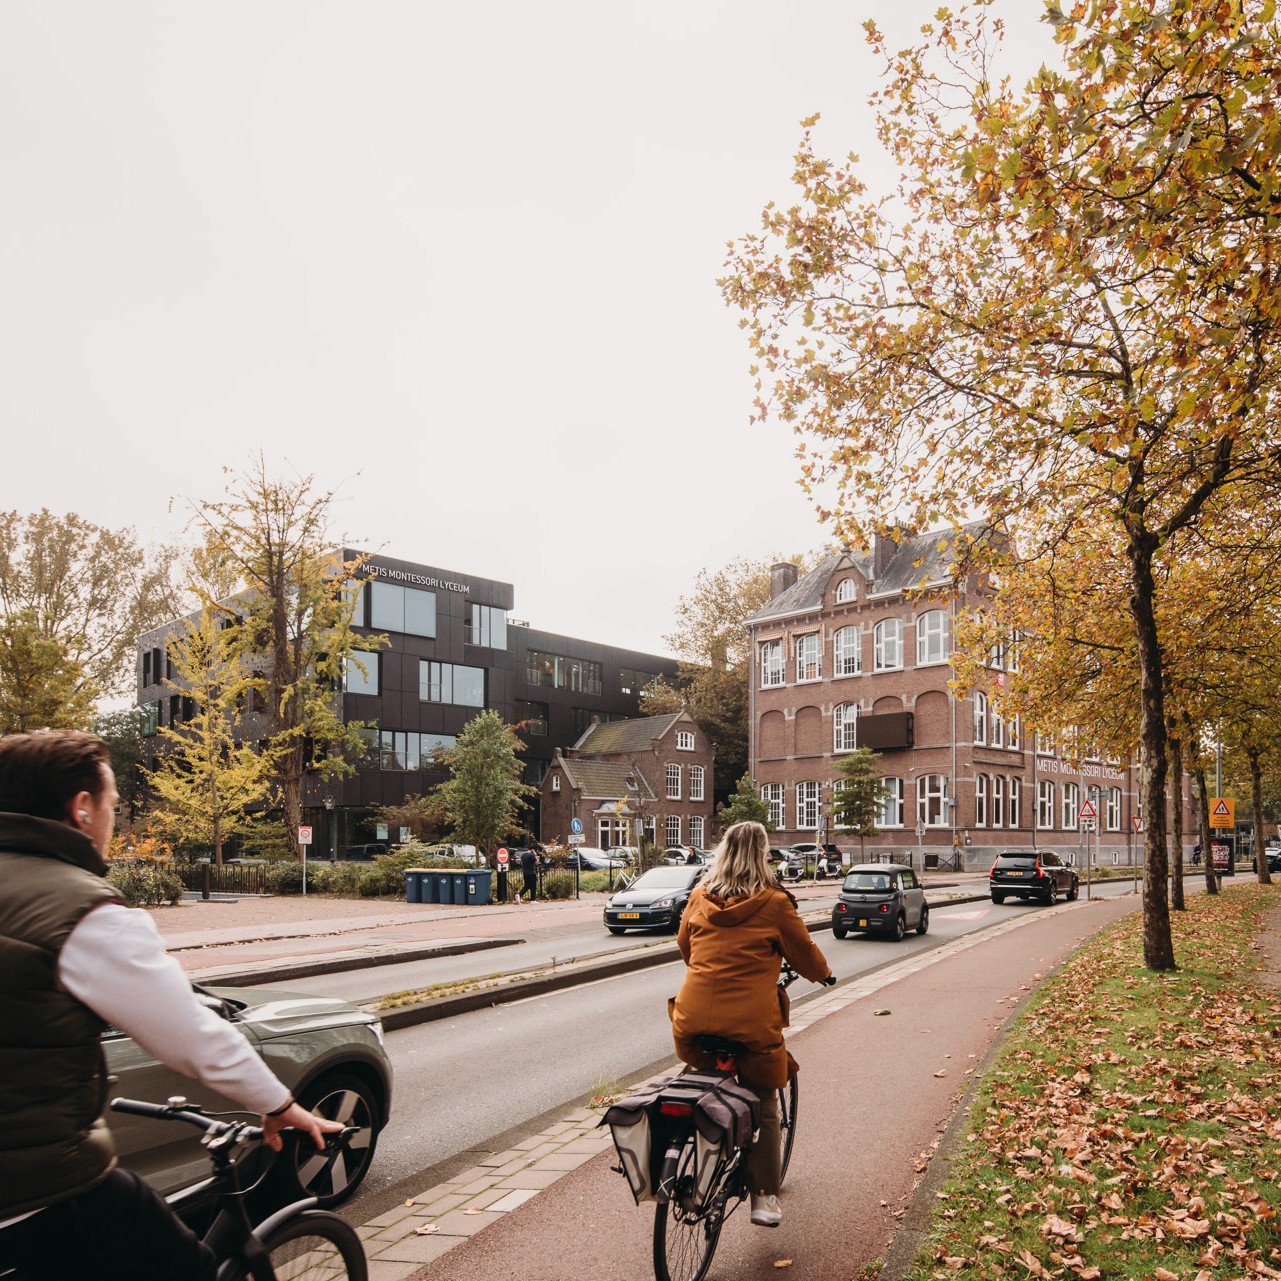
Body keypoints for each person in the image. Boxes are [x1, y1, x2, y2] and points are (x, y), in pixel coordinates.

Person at [0, 729, 341, 1281]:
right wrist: (279, 1103)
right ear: (82, 808)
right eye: (114, 805)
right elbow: (190, 1034)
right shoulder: (83, 910)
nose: (115, 819)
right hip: (39, 1182)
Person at [668, 821, 833, 1229]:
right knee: (763, 1103)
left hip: (692, 1021)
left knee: (705, 1091)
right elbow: (803, 952)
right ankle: (764, 1197)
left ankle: (700, 1177)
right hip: (750, 1024)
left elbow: (685, 947)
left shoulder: (699, 896)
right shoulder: (775, 903)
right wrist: (824, 975)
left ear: (722, 853)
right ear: (762, 855)